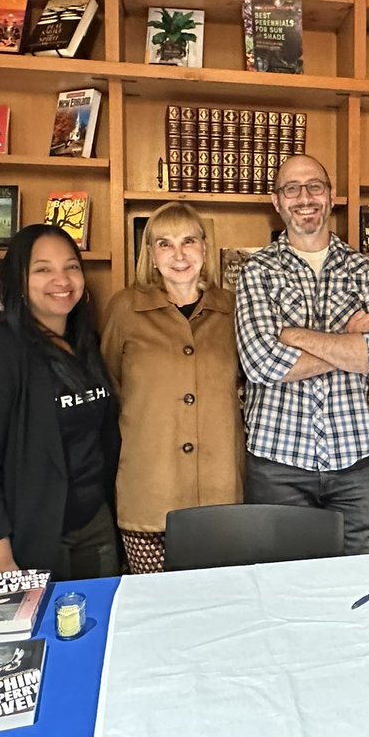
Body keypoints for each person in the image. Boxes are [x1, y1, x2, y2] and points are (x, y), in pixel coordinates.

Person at [235, 154, 369, 554]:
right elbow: (261, 362)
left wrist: (293, 336)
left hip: (355, 464)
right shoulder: (256, 270)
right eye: (292, 188)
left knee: (362, 586)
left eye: (314, 187)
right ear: (277, 201)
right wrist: (347, 341)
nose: (304, 197)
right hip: (278, 465)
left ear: (331, 196)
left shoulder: (364, 269)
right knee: (283, 588)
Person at [0, 224, 120, 579]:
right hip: (30, 535)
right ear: (19, 281)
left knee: (96, 627)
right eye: (43, 269)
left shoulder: (86, 344)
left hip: (95, 525)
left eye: (71, 266)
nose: (62, 279)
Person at [100, 202, 243, 574]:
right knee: (155, 611)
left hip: (221, 492)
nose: (178, 255)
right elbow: (110, 384)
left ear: (205, 248)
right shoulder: (125, 309)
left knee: (220, 609)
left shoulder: (233, 308)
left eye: (189, 241)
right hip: (149, 491)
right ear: (149, 253)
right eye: (164, 243)